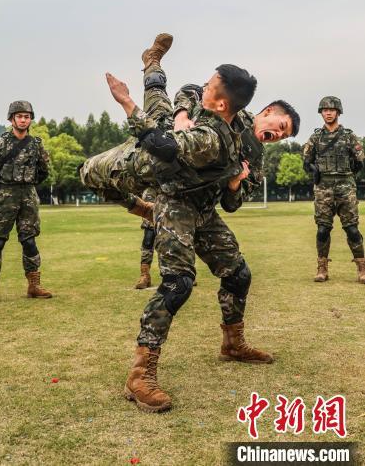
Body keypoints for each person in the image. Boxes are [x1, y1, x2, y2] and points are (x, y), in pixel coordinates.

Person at [95, 33, 300, 412]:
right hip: (173, 195)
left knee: (238, 274)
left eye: (283, 134)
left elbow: (234, 203)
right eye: (279, 123)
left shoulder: (256, 155)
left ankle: (232, 343)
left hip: (202, 209)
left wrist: (237, 183)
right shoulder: (231, 110)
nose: (276, 133)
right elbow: (192, 89)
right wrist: (183, 114)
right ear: (267, 110)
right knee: (178, 283)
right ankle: (141, 374)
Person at [0, 101, 52, 305]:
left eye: (27, 116)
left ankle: (34, 286)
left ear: (30, 120)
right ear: (12, 119)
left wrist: (28, 184)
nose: (23, 120)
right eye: (19, 116)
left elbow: (44, 170)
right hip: (5, 196)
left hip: (28, 196)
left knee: (29, 241)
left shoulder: (36, 144)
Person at [303, 96, 365, 283]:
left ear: (338, 112)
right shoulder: (315, 137)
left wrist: (347, 175)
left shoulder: (348, 136)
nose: (328, 113)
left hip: (346, 186)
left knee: (352, 229)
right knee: (323, 229)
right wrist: (314, 170)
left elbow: (360, 160)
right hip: (323, 188)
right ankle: (322, 268)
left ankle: (362, 268)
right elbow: (306, 162)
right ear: (321, 113)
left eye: (331, 110)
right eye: (324, 110)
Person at [134, 187, 157, 290]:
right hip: (152, 189)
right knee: (148, 242)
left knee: (173, 243)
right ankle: (145, 276)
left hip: (169, 187)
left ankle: (183, 273)